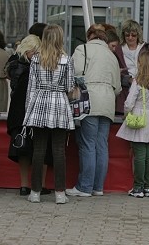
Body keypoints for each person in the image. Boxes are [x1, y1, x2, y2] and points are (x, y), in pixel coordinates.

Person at [23, 24, 75, 204]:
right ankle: (60, 193)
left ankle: (35, 192)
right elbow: (69, 87)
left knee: (38, 150)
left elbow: (31, 88)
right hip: (59, 104)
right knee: (59, 151)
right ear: (60, 38)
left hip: (39, 103)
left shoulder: (36, 59)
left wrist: (27, 112)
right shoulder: (66, 60)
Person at [66, 28, 121, 197]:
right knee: (101, 145)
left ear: (89, 36)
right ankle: (98, 187)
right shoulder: (111, 55)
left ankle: (85, 187)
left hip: (88, 99)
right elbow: (118, 87)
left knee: (87, 144)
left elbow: (72, 74)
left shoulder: (82, 49)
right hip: (108, 101)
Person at [6, 34, 52, 196]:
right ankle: (40, 184)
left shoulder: (13, 64)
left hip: (18, 111)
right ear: (28, 51)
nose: (37, 55)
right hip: (35, 109)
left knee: (22, 149)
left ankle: (24, 185)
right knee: (42, 148)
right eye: (35, 52)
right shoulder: (34, 66)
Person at [116, 51, 149, 198]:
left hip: (139, 117)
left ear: (141, 64)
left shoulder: (137, 82)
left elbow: (129, 103)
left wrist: (126, 113)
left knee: (139, 155)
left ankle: (138, 188)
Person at [114, 19, 149, 115]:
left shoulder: (147, 48)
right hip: (123, 93)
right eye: (127, 35)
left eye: (133, 35)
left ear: (138, 34)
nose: (130, 38)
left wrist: (145, 80)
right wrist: (127, 79)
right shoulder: (118, 49)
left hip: (143, 94)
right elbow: (113, 71)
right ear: (123, 35)